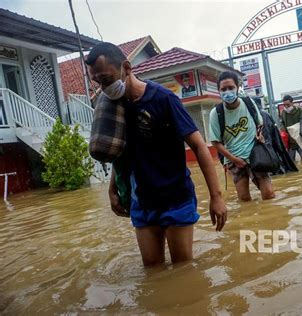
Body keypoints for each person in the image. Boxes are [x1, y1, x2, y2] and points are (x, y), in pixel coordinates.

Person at [86, 43, 227, 267]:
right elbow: (119, 150)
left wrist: (216, 197)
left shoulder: (163, 99)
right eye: (97, 82)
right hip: (142, 200)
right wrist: (112, 189)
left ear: (126, 67)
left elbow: (199, 146)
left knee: (184, 269)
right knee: (152, 272)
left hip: (176, 198)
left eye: (106, 78)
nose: (103, 87)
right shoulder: (116, 106)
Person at [209, 71, 275, 201]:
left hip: (256, 155)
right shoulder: (216, 113)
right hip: (234, 160)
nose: (227, 92)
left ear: (237, 88)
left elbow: (259, 123)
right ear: (219, 91)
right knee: (244, 199)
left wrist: (259, 135)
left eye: (231, 88)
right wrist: (234, 159)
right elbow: (216, 143)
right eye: (223, 89)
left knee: (269, 195)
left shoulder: (248, 103)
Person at [281, 95, 302, 161]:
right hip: (290, 142)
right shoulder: (283, 113)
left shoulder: (300, 110)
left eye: (288, 104)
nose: (286, 106)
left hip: (300, 140)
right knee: (291, 162)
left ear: (292, 103)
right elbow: (283, 126)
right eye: (284, 105)